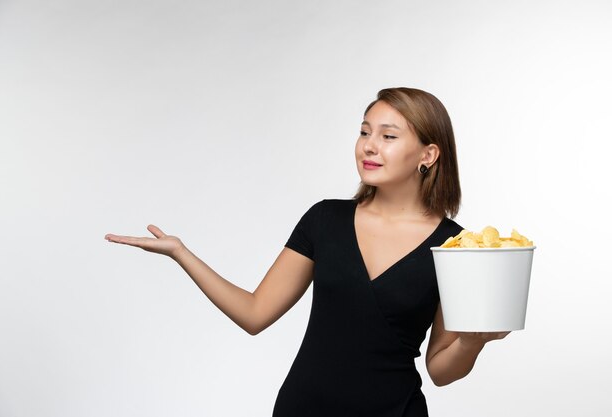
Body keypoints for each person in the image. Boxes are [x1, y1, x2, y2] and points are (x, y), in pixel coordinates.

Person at [105, 87, 509, 416]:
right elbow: (254, 313)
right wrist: (182, 253)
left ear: (428, 154)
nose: (369, 146)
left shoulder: (456, 246)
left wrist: (472, 341)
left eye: (387, 136)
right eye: (364, 132)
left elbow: (439, 370)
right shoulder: (324, 220)